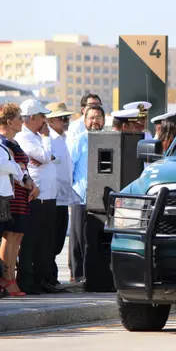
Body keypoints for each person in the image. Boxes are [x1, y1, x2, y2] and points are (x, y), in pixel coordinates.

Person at [14, 99, 61, 294]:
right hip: (35, 198)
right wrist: (46, 138)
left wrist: (45, 152)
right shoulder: (24, 137)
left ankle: (42, 279)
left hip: (48, 198)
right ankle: (27, 281)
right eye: (43, 116)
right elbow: (44, 156)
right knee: (31, 242)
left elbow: (50, 157)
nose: (45, 121)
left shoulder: (36, 137)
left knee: (45, 242)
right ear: (32, 118)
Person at [67, 104, 105, 284]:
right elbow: (69, 168)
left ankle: (96, 276)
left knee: (96, 240)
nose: (95, 121)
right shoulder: (79, 140)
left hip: (102, 200)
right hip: (80, 197)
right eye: (91, 118)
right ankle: (79, 275)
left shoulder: (109, 140)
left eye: (98, 117)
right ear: (85, 120)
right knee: (79, 240)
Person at [44, 102, 78, 286]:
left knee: (57, 240)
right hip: (51, 197)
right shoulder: (47, 139)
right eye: (63, 118)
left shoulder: (63, 139)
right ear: (52, 120)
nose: (66, 121)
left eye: (67, 118)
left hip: (63, 198)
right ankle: (47, 277)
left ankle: (51, 277)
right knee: (50, 241)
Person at [0, 103, 30, 296]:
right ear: (10, 122)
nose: (23, 121)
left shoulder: (13, 143)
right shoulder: (3, 143)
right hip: (10, 195)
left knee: (16, 237)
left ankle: (9, 276)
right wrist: (16, 166)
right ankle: (7, 277)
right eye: (20, 118)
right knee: (9, 237)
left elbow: (20, 168)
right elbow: (9, 166)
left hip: (18, 192)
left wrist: (19, 169)